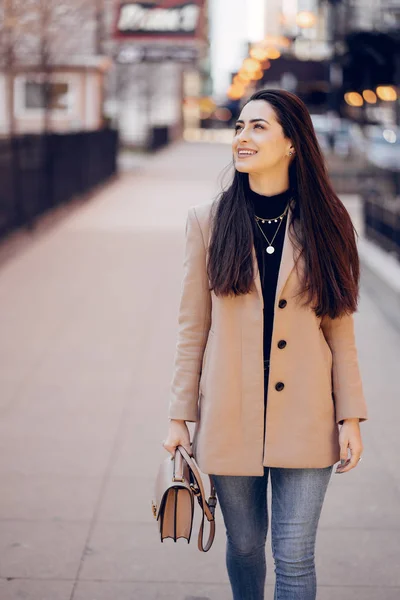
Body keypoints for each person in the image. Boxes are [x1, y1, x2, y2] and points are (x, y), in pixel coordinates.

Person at [162, 89, 368, 600]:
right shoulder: (207, 221)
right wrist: (178, 415)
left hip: (307, 415)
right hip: (231, 415)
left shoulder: (328, 223)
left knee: (295, 556)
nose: (243, 137)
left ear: (292, 142)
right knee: (247, 547)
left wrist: (350, 418)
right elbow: (193, 328)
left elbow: (339, 329)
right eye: (239, 127)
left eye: (258, 127)